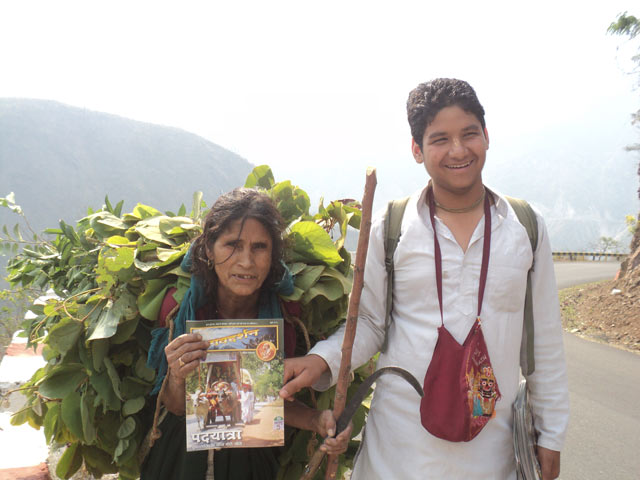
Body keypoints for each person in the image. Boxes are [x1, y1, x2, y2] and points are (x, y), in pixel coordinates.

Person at [279, 78, 569, 479]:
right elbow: (368, 324)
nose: (458, 150)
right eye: (439, 139)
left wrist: (551, 433)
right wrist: (320, 359)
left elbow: (545, 342)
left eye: (469, 134)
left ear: (487, 136)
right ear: (417, 149)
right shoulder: (392, 227)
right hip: (398, 451)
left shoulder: (522, 226)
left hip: (494, 451)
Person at [142, 188, 352, 480]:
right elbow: (175, 407)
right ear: (208, 251)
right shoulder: (179, 311)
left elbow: (269, 402)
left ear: (273, 255)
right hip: (182, 458)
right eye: (232, 245)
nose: (246, 262)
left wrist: (317, 420)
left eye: (259, 247)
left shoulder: (284, 316)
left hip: (252, 461)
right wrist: (177, 377)